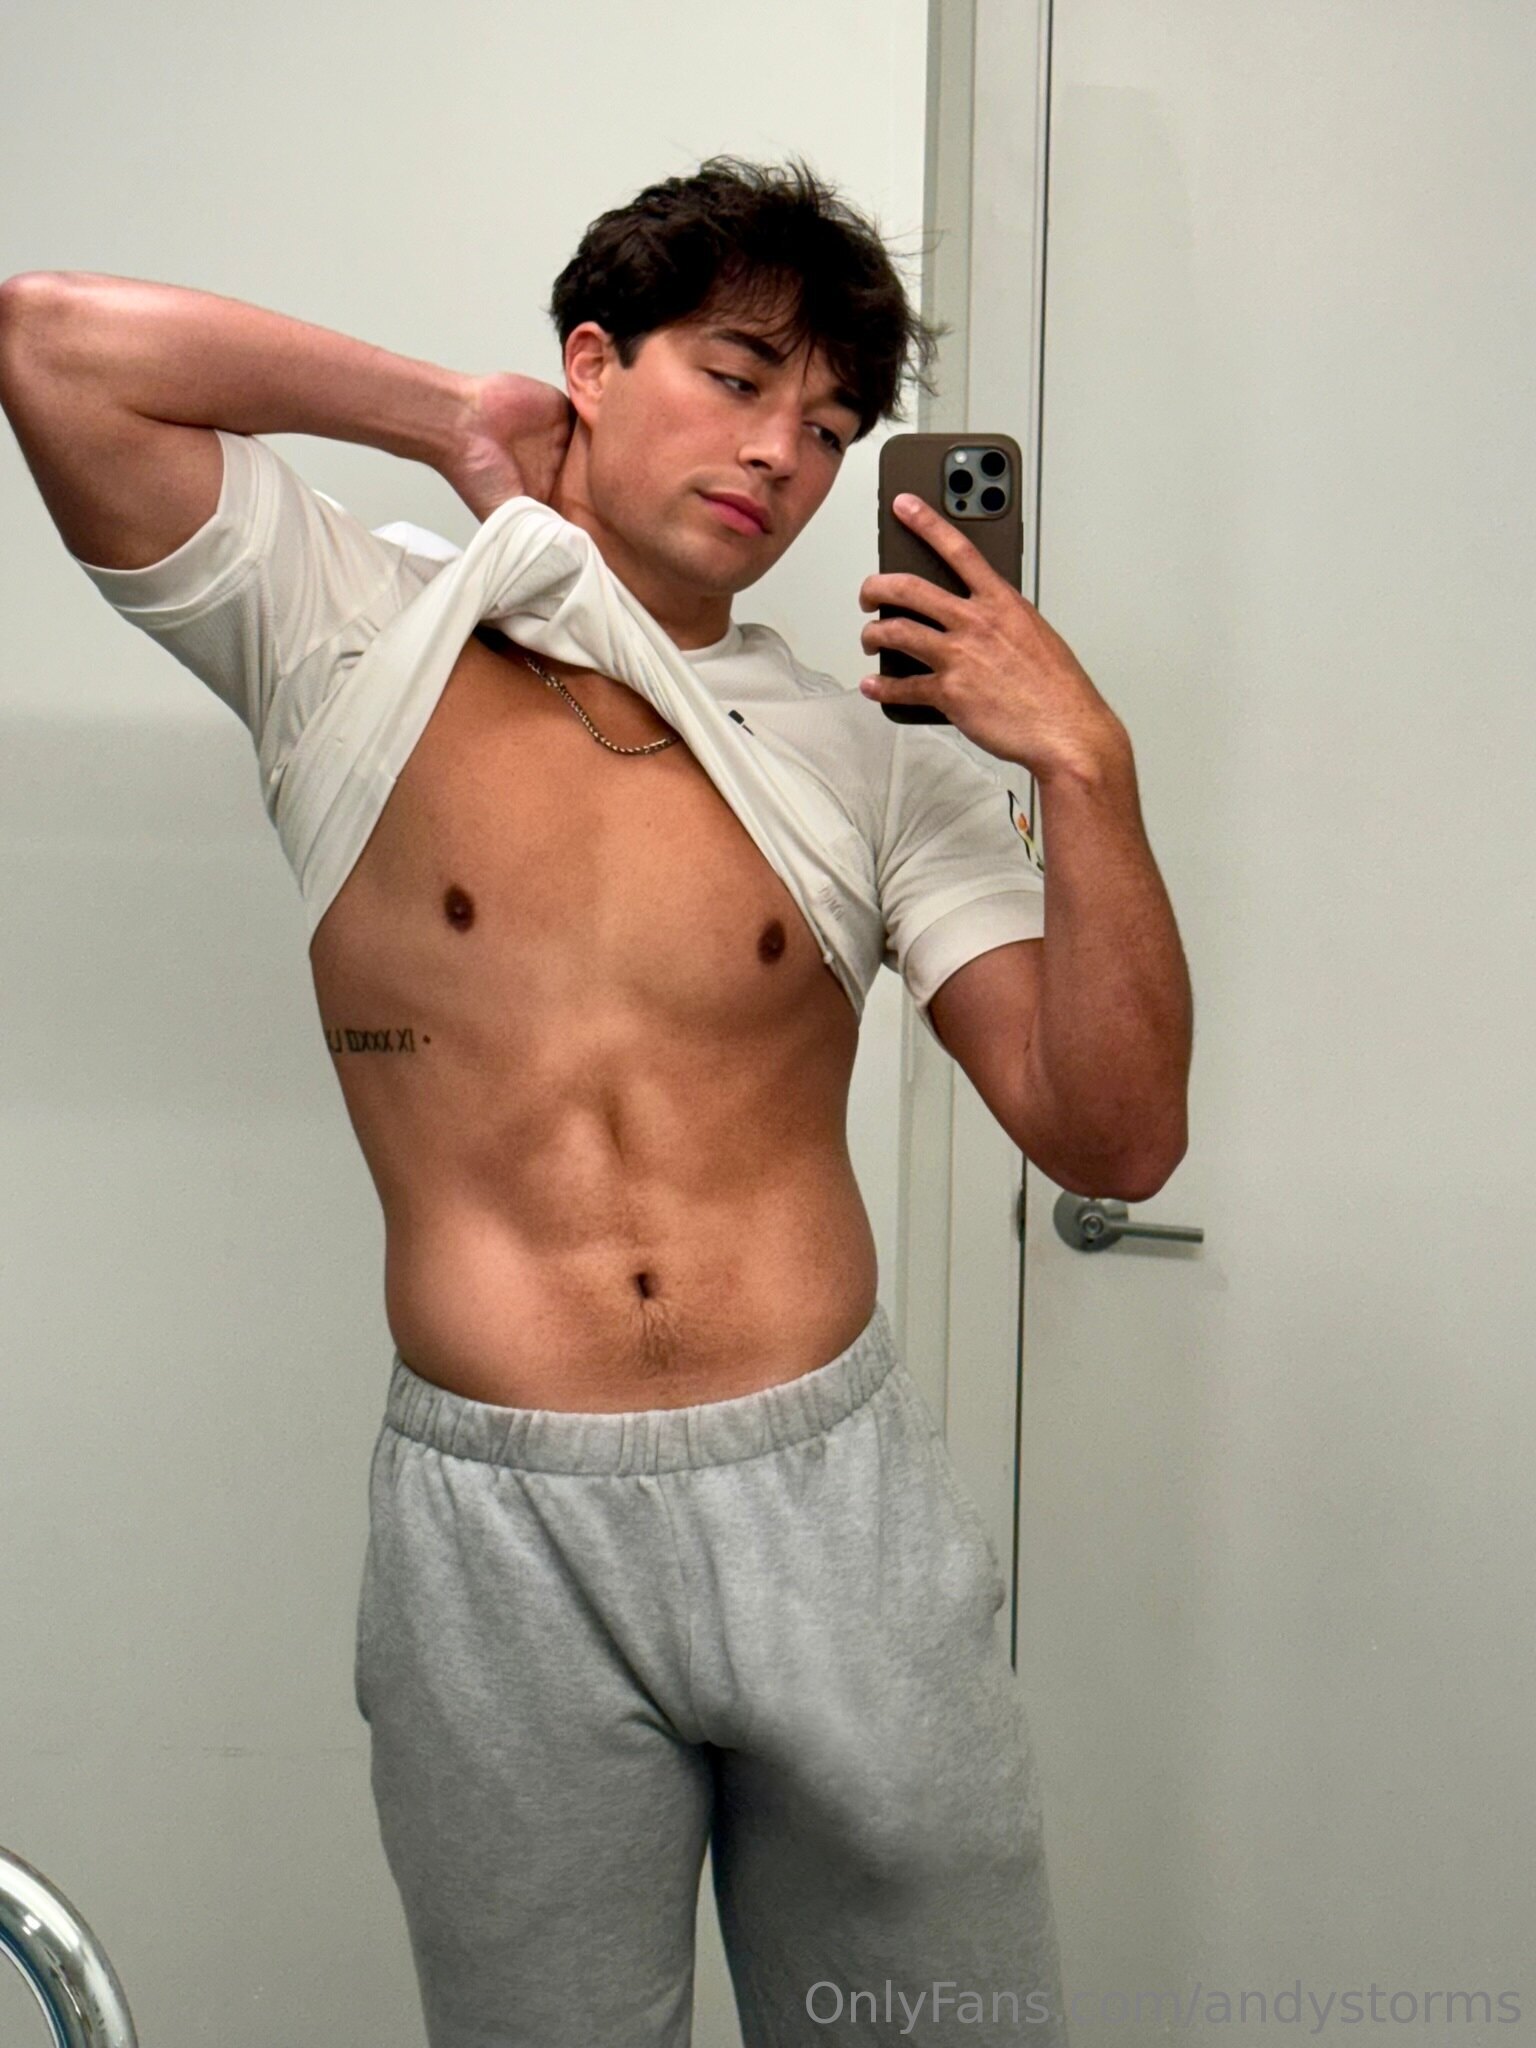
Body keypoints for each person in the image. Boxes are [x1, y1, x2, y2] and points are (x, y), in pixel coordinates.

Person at [0, 154, 1190, 2046]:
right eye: (736, 376)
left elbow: (1111, 1134)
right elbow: (56, 344)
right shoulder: (351, 630)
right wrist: (444, 417)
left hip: (832, 1508)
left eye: (831, 427)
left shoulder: (875, 760)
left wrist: (1089, 769)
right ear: (591, 365)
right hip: (502, 1533)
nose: (783, 454)